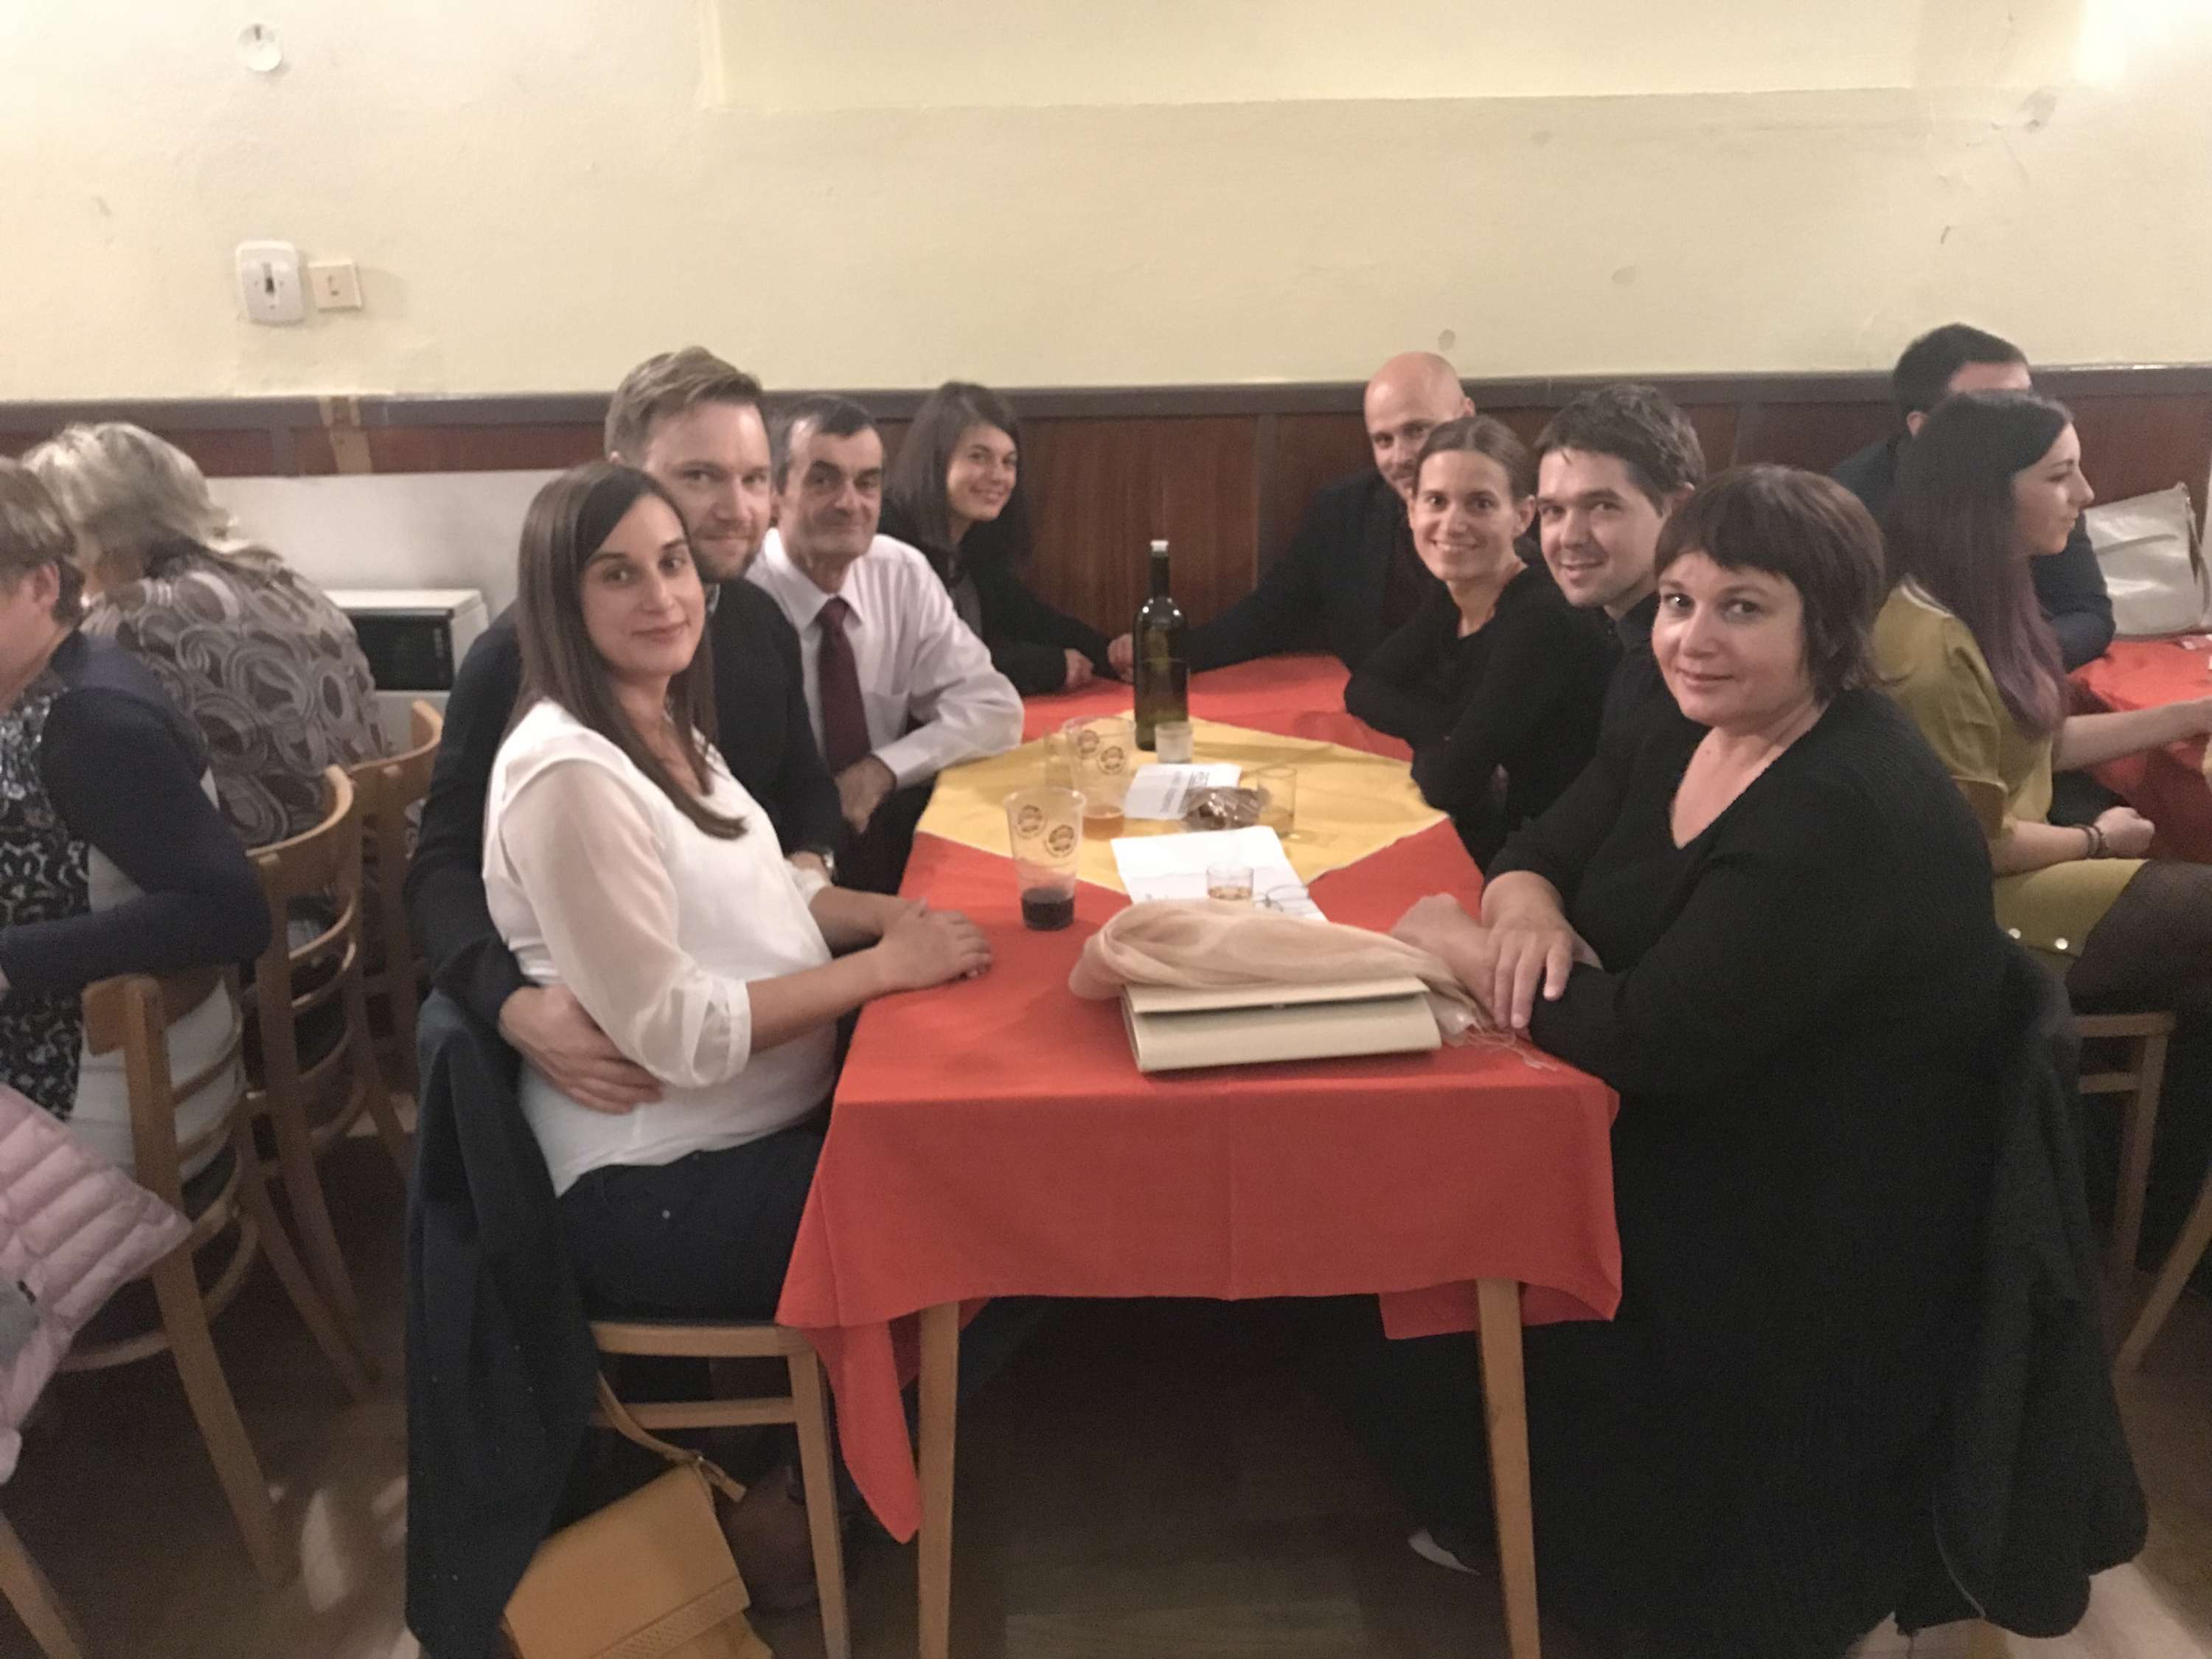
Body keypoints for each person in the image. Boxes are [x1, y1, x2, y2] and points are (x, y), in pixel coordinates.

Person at [1371, 466, 2010, 1654]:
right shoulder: (1680, 721)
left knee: (1435, 1202)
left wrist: (1463, 946)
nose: (1692, 637)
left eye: (1741, 607)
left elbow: (1647, 1040)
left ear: (1832, 624)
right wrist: (1524, 913)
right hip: (1703, 1122)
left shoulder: (1841, 800)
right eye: (1678, 601)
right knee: (1401, 1199)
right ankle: (1505, 1505)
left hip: (1814, 1210)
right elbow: (1537, 845)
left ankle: (1562, 1533)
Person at [484, 459, 990, 1319]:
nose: (663, 598)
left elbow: (765, 888)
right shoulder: (568, 775)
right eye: (618, 575)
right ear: (561, 602)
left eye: (672, 563)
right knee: (985, 1203)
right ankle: (877, 1402)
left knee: (978, 1130)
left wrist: (896, 918)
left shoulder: (658, 719)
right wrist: (882, 968)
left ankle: (878, 1393)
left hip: (752, 1132)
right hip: (656, 1182)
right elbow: (676, 1032)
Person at [406, 348, 846, 1116]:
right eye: (701, 476)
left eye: (753, 479)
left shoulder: (753, 617)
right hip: (665, 1077)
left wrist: (801, 885)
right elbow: (441, 864)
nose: (737, 508)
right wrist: (511, 1005)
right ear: (623, 477)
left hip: (771, 1019)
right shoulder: (522, 658)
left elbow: (805, 790)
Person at [1877, 390, 2212, 1019]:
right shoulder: (1929, 650)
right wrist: (2096, 839)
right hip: (1964, 906)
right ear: (1983, 495)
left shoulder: (1985, 593)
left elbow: (2035, 743)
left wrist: (2189, 715)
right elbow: (1976, 844)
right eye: (2060, 476)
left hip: (2012, 866)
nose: (2086, 493)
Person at [0, 460, 270, 1177]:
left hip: (89, 1099)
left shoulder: (89, 723)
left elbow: (232, 912)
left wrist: (10, 961)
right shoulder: (58, 676)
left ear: (42, 585)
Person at [24, 422, 384, 848]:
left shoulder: (129, 620)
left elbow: (39, 765)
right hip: (369, 855)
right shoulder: (272, 574)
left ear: (90, 536)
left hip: (274, 877)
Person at [747, 397, 1023, 892]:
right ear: (773, 493)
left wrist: (880, 771)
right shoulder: (738, 598)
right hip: (771, 861)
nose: (850, 503)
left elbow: (995, 709)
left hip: (880, 839)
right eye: (823, 480)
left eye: (867, 482)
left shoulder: (900, 573)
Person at [1344, 417, 1608, 866]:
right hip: (1502, 838)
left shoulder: (1542, 619)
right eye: (1436, 501)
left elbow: (1449, 782)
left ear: (1522, 517)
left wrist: (1451, 745)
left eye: (1480, 504)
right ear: (1412, 510)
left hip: (1550, 864)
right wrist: (1442, 731)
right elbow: (1365, 688)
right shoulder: (1456, 595)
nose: (1452, 524)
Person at [1107, 352, 1470, 675]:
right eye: (1383, 440)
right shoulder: (1343, 512)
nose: (1400, 457)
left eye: (1417, 430)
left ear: (1465, 416)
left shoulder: (1500, 524)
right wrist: (1173, 654)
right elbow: (1272, 614)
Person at [1835, 322, 2114, 671]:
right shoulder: (1851, 505)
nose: (2027, 421)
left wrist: (2007, 666)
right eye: (1996, 406)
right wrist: (1961, 668)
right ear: (1924, 426)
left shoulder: (2046, 484)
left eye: (2028, 400)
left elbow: (2088, 613)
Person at [881, 381, 1113, 695]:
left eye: (1008, 462)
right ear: (935, 460)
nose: (998, 476)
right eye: (979, 457)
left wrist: (1109, 652)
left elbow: (1027, 616)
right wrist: (1046, 666)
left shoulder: (975, 540)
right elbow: (923, 663)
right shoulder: (888, 540)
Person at [1531, 383, 1706, 738]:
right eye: (1553, 510)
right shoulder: (1592, 628)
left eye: (1602, 506)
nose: (1569, 537)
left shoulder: (1692, 668)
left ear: (1678, 509)